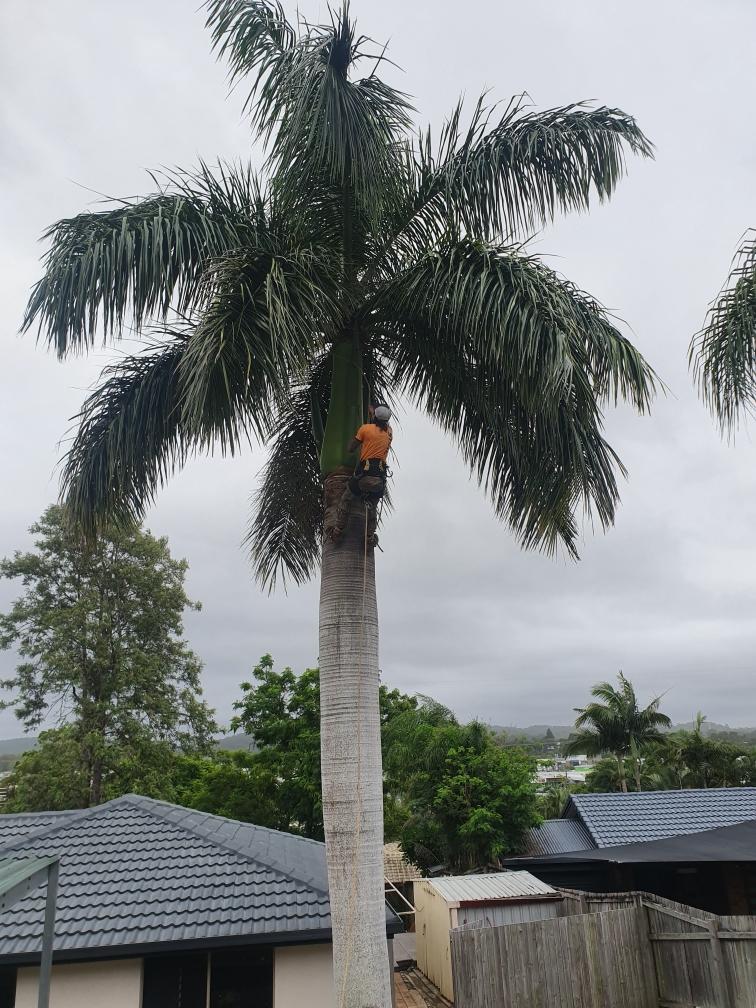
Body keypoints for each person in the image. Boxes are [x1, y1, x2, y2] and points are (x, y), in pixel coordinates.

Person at [347, 405, 392, 504]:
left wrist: (354, 437)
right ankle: (369, 503)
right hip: (379, 481)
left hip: (363, 475)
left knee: (346, 499)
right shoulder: (389, 432)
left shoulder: (365, 429)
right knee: (373, 501)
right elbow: (379, 422)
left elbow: (350, 449)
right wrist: (373, 412)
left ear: (375, 417)